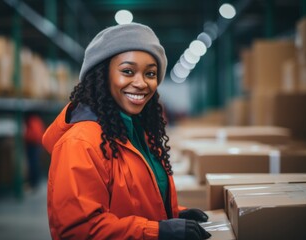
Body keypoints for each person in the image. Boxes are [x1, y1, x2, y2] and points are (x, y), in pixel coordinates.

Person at [42, 22, 211, 240]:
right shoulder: (80, 143)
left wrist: (174, 214)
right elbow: (79, 230)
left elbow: (131, 203)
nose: (141, 83)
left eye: (150, 74)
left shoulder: (140, 134)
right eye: (128, 71)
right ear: (102, 76)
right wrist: (158, 231)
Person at [24, 113, 45, 191]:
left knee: (33, 164)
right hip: (36, 144)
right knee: (35, 163)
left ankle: (34, 183)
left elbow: (33, 134)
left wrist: (25, 138)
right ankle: (35, 183)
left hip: (33, 144)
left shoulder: (32, 121)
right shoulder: (37, 120)